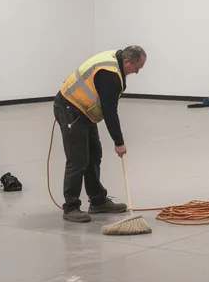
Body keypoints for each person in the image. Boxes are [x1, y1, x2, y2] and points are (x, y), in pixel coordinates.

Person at [53, 45, 147, 222]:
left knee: (94, 154)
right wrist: (119, 142)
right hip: (70, 109)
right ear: (127, 61)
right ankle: (71, 207)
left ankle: (97, 201)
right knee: (78, 159)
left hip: (84, 111)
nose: (136, 72)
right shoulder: (109, 73)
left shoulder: (115, 61)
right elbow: (110, 110)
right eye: (136, 68)